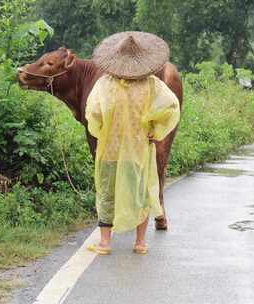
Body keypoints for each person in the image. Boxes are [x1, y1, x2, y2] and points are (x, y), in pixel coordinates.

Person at [85, 31, 180, 255]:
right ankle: (140, 243)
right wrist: (154, 129)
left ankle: (105, 243)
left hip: (110, 149)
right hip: (138, 151)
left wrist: (101, 132)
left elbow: (93, 113)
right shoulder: (152, 85)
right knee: (141, 194)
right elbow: (171, 107)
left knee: (107, 193)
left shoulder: (104, 85)